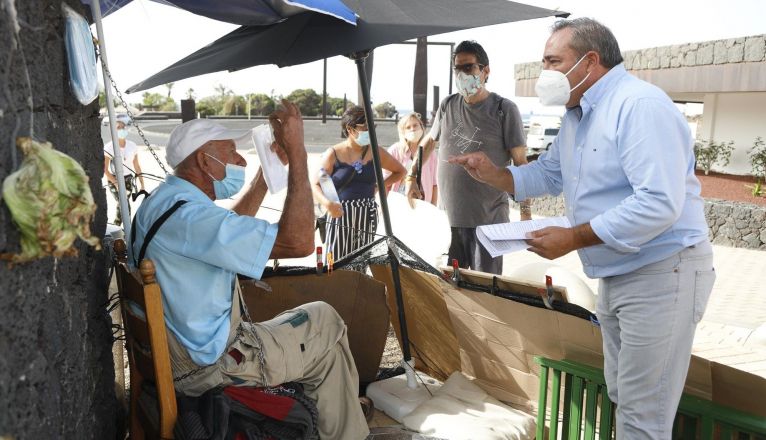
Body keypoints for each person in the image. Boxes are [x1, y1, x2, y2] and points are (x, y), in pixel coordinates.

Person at [450, 19, 715, 439]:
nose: (545, 75)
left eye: (554, 62)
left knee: (644, 412)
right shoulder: (578, 115)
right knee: (623, 397)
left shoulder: (639, 106)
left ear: (590, 61)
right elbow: (550, 173)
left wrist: (574, 237)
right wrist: (494, 174)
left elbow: (659, 203)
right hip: (617, 271)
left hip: (664, 271)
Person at [131, 101, 370, 439]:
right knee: (326, 322)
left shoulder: (164, 202)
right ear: (203, 161)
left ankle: (336, 420)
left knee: (322, 341)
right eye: (232, 153)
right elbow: (299, 242)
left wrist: (261, 180)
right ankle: (346, 428)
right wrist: (299, 154)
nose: (241, 161)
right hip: (210, 368)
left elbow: (228, 229)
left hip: (177, 358)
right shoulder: (193, 220)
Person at [407, 40, 531, 275]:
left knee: (484, 293)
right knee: (451, 294)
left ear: (485, 71)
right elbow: (429, 143)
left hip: (488, 224)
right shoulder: (448, 105)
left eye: (468, 68)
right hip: (448, 223)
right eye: (457, 69)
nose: (462, 74)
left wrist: (525, 215)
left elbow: (521, 164)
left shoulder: (504, 109)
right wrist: (411, 177)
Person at [312, 105, 405, 262]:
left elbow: (400, 171)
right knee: (334, 262)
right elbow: (316, 183)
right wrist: (327, 204)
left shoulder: (376, 151)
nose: (370, 131)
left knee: (361, 262)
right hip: (339, 214)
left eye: (372, 127)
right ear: (350, 129)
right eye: (365, 127)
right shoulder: (333, 153)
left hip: (367, 214)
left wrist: (378, 187)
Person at [387, 112, 438, 205]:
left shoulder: (430, 152)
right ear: (403, 132)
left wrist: (433, 206)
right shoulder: (395, 150)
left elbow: (435, 183)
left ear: (421, 127)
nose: (413, 129)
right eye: (408, 127)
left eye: (415, 125)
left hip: (423, 201)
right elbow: (385, 180)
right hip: (398, 200)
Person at [104, 114, 145, 225]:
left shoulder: (132, 146)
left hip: (128, 180)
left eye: (123, 128)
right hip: (114, 180)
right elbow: (105, 169)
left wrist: (142, 184)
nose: (121, 130)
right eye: (118, 128)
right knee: (123, 204)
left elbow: (136, 166)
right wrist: (116, 183)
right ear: (113, 131)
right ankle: (122, 228)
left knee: (124, 204)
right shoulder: (109, 147)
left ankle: (121, 230)